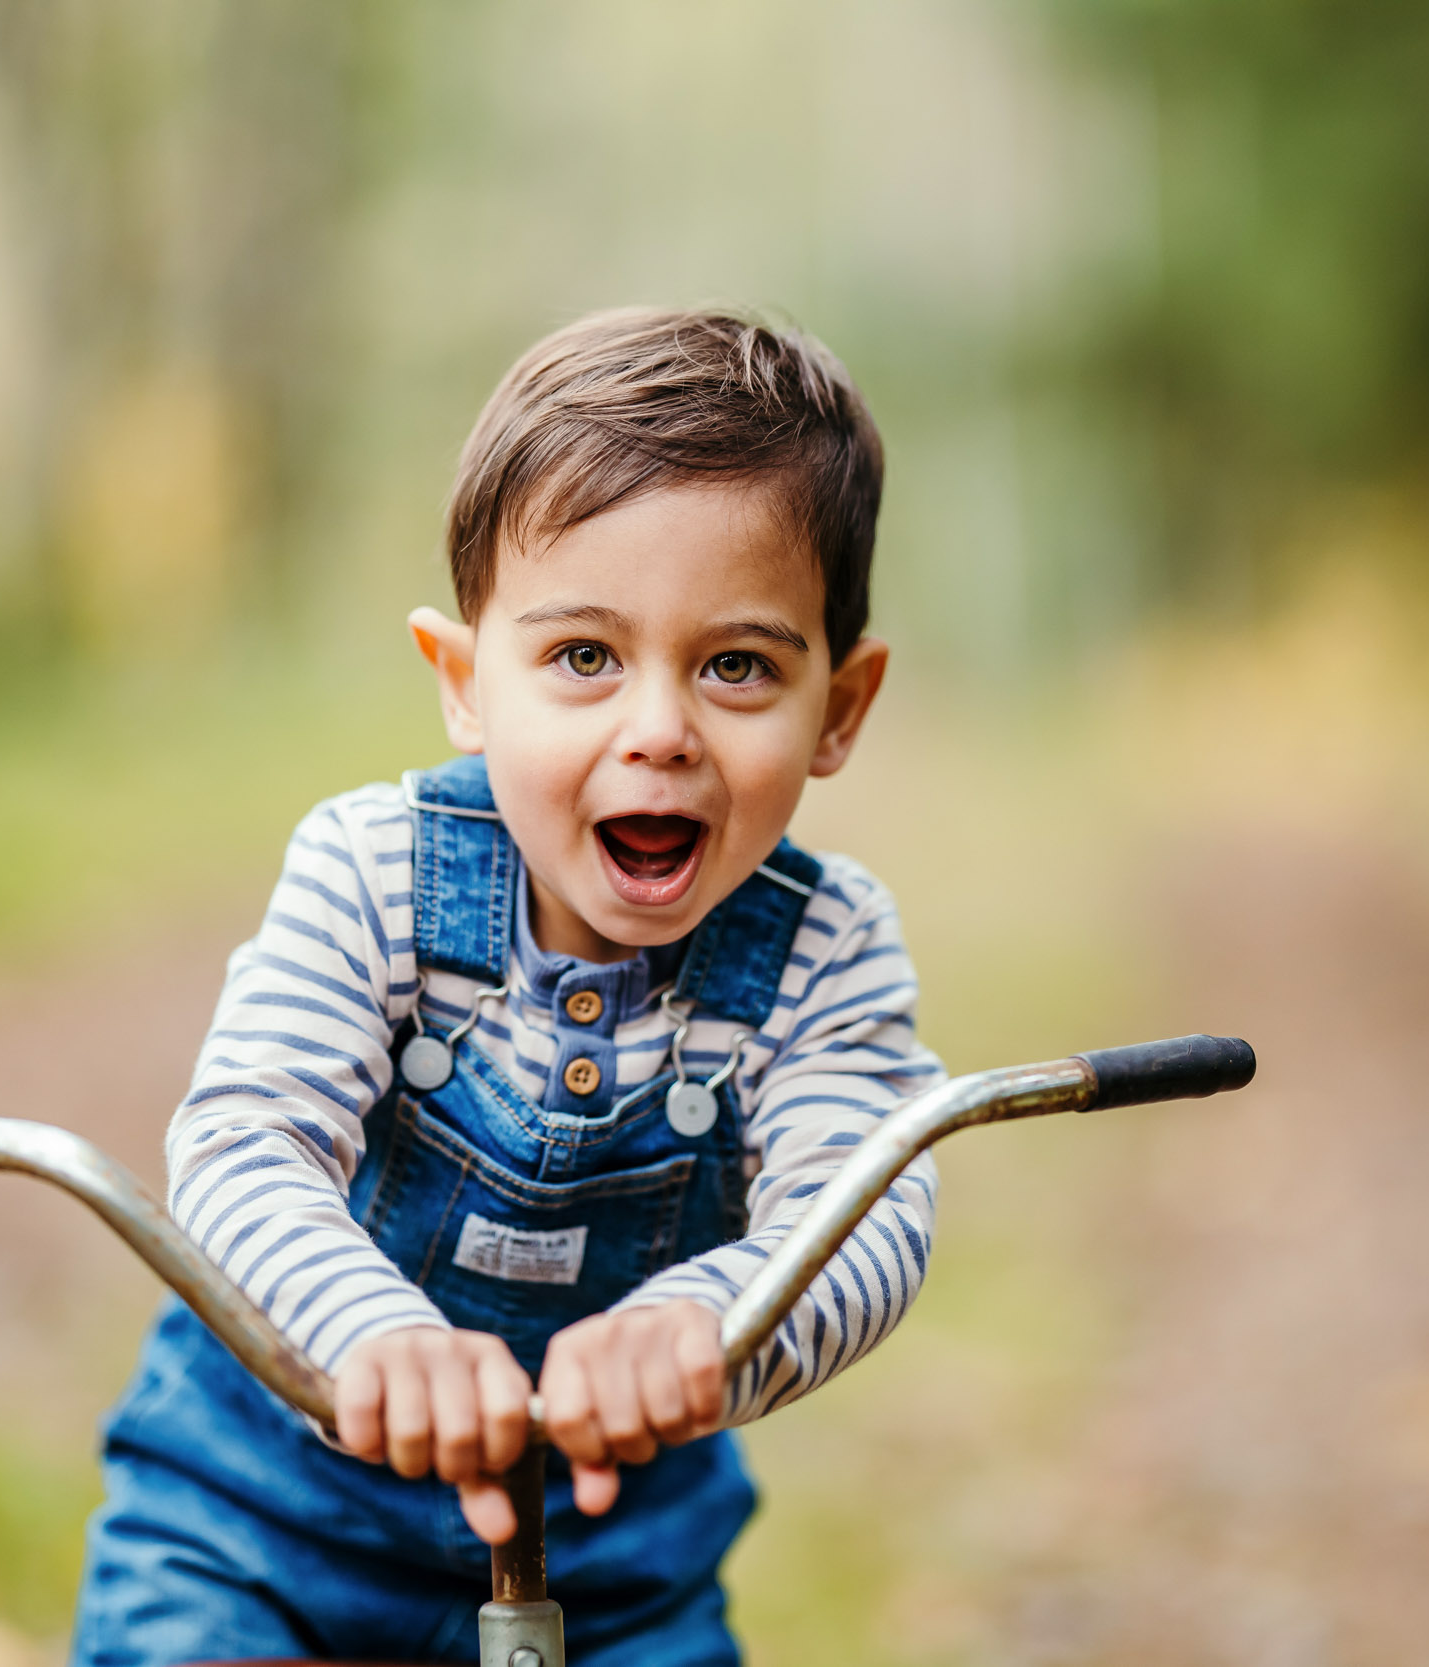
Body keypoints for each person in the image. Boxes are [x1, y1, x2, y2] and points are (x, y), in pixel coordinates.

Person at [71, 308, 945, 1667]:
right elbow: (247, 1141)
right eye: (584, 658)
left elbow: (868, 1207)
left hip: (609, 1571)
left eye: (737, 666)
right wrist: (372, 1335)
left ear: (840, 705)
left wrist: (701, 1326)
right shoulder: (374, 875)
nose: (658, 731)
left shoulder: (825, 950)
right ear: (468, 683)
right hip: (259, 1529)